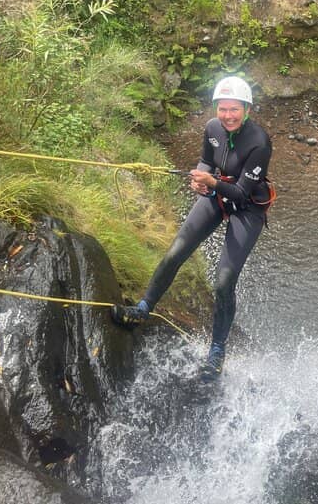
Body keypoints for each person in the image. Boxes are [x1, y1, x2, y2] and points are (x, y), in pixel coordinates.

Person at [111, 76, 273, 381]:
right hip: (217, 195)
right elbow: (206, 162)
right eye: (222, 109)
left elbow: (241, 192)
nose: (227, 115)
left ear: (247, 109)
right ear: (216, 108)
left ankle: (217, 351)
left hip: (247, 207)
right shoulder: (212, 129)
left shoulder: (260, 143)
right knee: (175, 252)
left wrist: (211, 182)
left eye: (234, 109)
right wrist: (201, 179)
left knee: (224, 282)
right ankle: (144, 308)